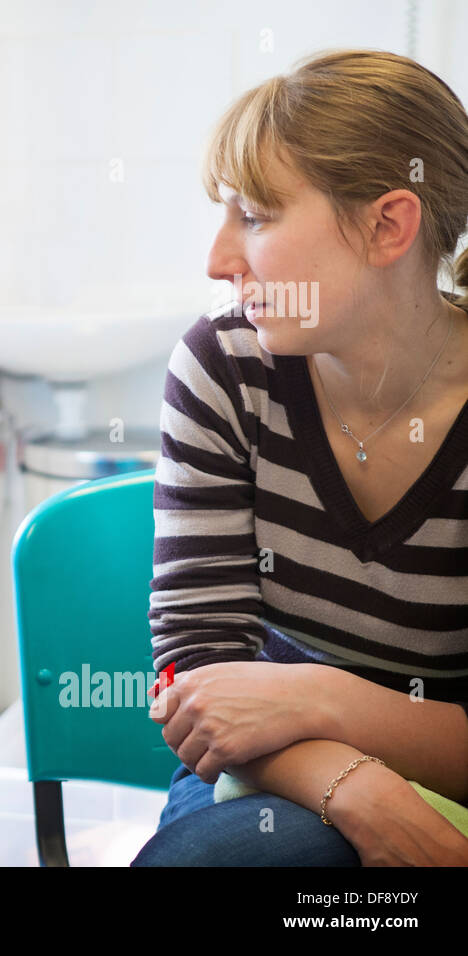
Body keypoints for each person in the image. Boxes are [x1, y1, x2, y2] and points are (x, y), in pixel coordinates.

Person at [133, 49, 468, 866]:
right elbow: (197, 682)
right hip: (268, 766)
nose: (218, 260)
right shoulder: (226, 367)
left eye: (254, 215)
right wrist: (354, 786)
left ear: (389, 225)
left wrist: (321, 695)